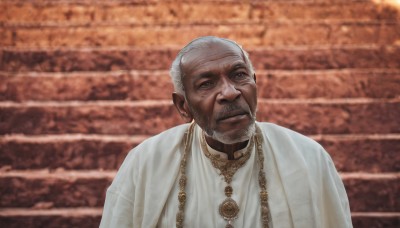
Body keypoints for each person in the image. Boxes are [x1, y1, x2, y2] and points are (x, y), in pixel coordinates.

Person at [100, 36, 352, 228]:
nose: (230, 92)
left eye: (239, 75)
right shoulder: (145, 163)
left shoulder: (308, 158)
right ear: (183, 106)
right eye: (206, 84)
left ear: (254, 83)